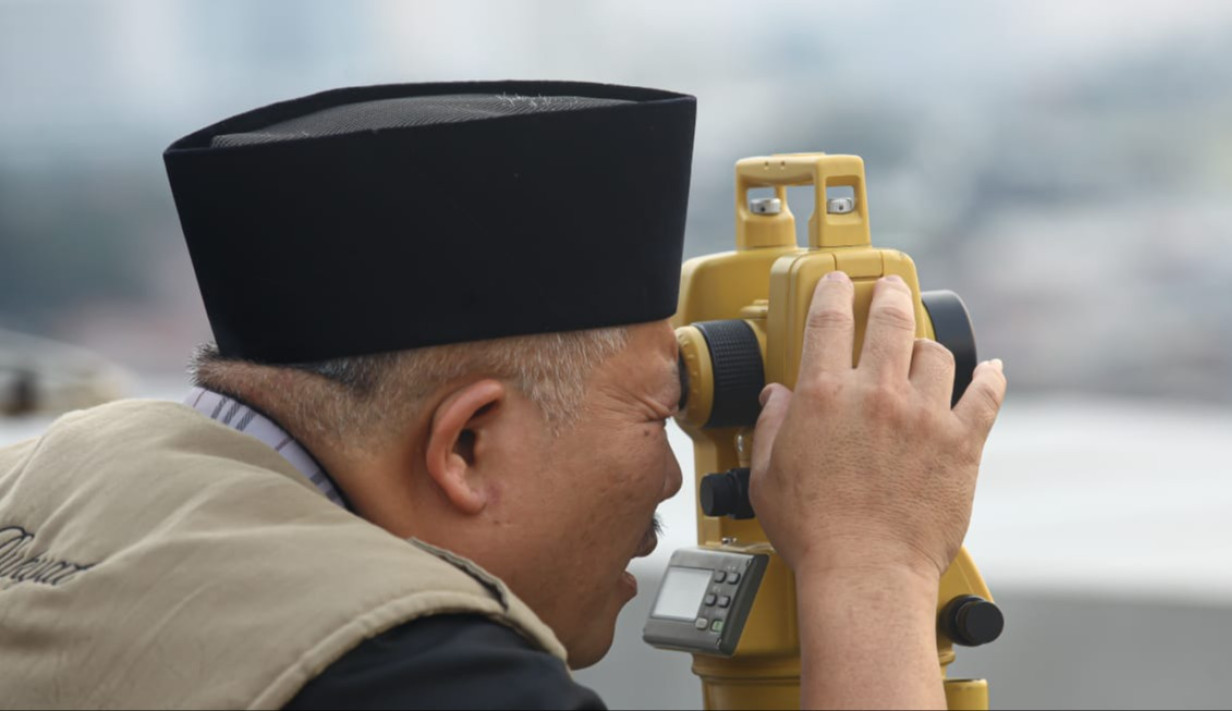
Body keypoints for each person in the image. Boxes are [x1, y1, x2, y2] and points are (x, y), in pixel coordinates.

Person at [0, 82, 1005, 710]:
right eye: (656, 412)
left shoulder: (49, 465)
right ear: (468, 445)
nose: (666, 479)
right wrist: (872, 566)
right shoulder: (410, 674)